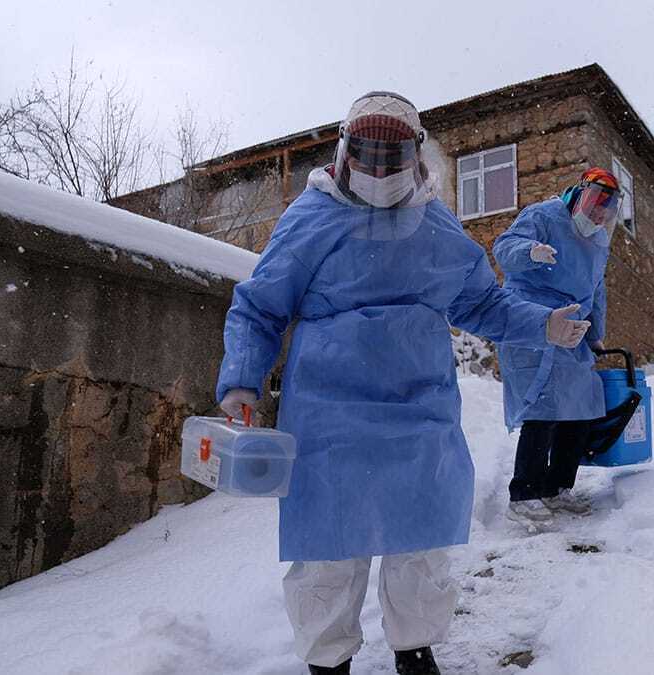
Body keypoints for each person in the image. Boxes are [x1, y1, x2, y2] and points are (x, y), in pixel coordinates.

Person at [215, 91, 590, 675]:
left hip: (420, 410)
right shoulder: (311, 217)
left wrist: (543, 324)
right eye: (366, 153)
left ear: (415, 157)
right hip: (328, 412)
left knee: (419, 545)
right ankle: (328, 662)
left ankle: (415, 649)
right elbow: (260, 306)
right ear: (345, 152)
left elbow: (483, 305)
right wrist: (241, 380)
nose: (378, 169)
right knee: (328, 552)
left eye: (391, 156)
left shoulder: (435, 223)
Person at [492, 168, 622, 524]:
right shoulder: (543, 216)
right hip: (532, 321)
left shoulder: (598, 240)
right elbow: (504, 248)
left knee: (580, 410)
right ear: (579, 195)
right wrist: (531, 251)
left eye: (605, 212)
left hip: (573, 331)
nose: (597, 216)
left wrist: (597, 333)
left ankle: (557, 488)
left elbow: (596, 290)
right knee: (543, 411)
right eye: (595, 205)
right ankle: (524, 495)